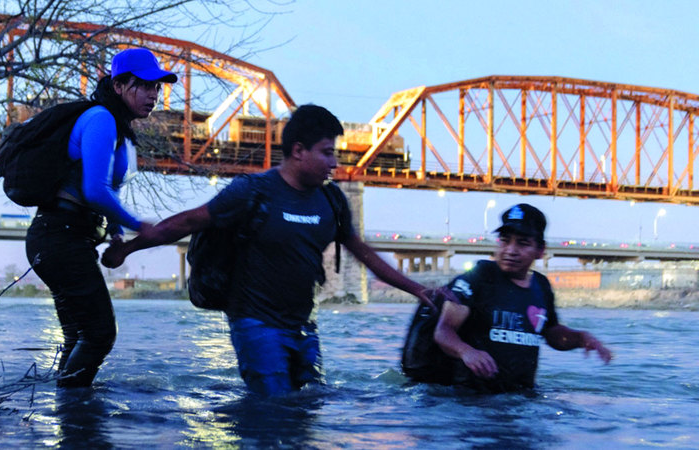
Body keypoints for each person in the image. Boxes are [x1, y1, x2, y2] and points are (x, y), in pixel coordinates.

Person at [101, 104, 432, 396]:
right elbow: (187, 222)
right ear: (299, 150)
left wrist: (419, 290)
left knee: (309, 405)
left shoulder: (331, 200)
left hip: (303, 327)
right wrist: (128, 248)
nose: (334, 163)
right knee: (273, 409)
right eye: (327, 152)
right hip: (255, 325)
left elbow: (363, 252)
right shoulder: (252, 192)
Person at [26, 48, 177, 387]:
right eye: (145, 85)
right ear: (119, 85)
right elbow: (94, 191)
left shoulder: (119, 128)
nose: (154, 95)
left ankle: (68, 411)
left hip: (65, 238)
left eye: (158, 87)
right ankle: (77, 409)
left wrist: (117, 233)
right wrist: (140, 225)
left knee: (78, 337)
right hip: (58, 237)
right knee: (99, 334)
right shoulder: (101, 119)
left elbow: (108, 189)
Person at [431, 203, 612, 392]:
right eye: (505, 241)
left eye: (522, 243)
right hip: (470, 398)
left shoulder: (541, 286)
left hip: (522, 397)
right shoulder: (478, 278)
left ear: (540, 250)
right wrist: (466, 352)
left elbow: (551, 333)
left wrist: (581, 338)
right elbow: (443, 330)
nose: (511, 250)